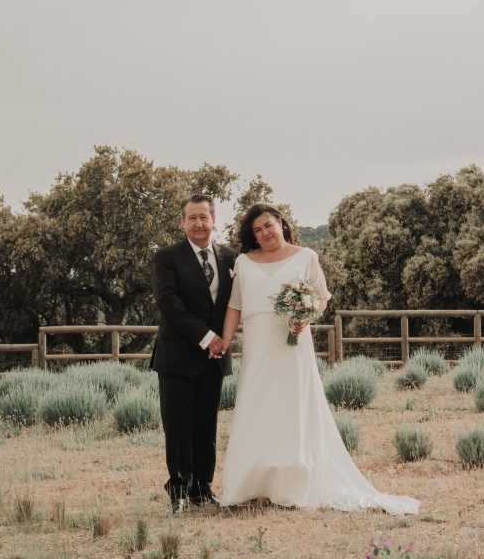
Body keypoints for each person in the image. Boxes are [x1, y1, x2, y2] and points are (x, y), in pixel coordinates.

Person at [218, 203, 419, 515]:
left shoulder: (306, 257)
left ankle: (292, 482)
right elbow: (234, 305)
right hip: (258, 341)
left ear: (281, 222)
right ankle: (252, 483)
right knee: (257, 402)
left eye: (268, 225)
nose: (264, 233)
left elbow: (322, 298)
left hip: (293, 340)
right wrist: (227, 338)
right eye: (257, 230)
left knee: (292, 403)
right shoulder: (244, 261)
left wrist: (305, 317)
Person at [151, 194, 236, 511]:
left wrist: (222, 341)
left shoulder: (230, 258)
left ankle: (202, 488)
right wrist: (206, 337)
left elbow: (234, 304)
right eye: (192, 218)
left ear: (214, 220)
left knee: (206, 427)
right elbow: (168, 303)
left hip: (214, 361)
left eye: (204, 217)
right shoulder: (167, 257)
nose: (199, 223)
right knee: (177, 427)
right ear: (183, 222)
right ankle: (178, 492)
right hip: (177, 357)